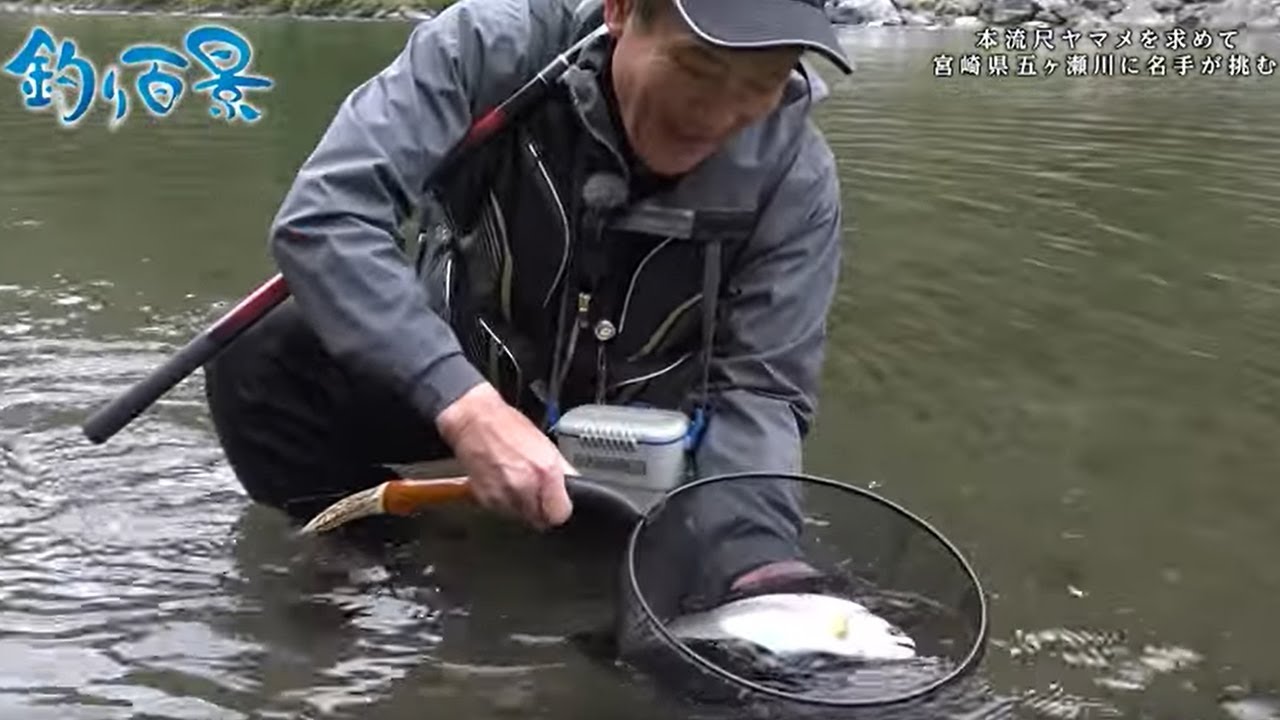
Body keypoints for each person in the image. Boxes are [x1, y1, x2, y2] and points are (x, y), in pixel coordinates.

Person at [204, 0, 852, 623]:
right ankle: (370, 562)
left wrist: (758, 563)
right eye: (699, 67)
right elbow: (325, 220)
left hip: (649, 444)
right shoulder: (483, 50)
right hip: (469, 382)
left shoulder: (797, 178)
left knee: (728, 605)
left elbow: (763, 390)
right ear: (620, 9)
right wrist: (466, 406)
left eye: (763, 81)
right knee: (258, 352)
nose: (720, 111)